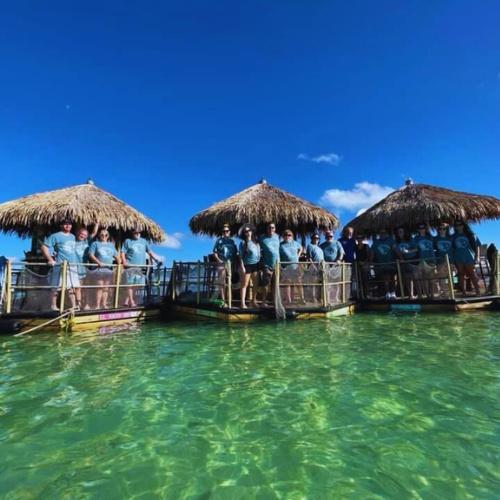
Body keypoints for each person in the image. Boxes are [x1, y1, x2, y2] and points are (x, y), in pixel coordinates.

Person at [41, 219, 80, 311]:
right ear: (61, 226)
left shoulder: (72, 237)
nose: (67, 226)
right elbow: (44, 246)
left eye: (69, 224)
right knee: (57, 286)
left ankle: (74, 305)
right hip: (61, 264)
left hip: (72, 265)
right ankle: (53, 305)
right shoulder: (55, 236)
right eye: (65, 224)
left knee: (72, 286)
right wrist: (50, 259)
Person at [121, 228, 161, 307]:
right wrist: (124, 261)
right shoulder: (128, 241)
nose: (138, 234)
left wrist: (156, 260)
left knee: (136, 285)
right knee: (130, 284)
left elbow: (149, 252)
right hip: (130, 266)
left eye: (139, 232)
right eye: (136, 232)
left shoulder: (144, 241)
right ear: (132, 233)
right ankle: (131, 302)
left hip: (140, 267)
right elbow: (122, 252)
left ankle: (127, 300)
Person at [88, 229, 120, 309]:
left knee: (106, 287)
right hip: (98, 269)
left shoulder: (111, 245)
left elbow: (116, 256)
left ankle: (104, 304)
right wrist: (98, 262)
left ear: (108, 236)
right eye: (102, 234)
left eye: (105, 235)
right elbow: (91, 254)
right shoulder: (95, 244)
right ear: (99, 235)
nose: (104, 236)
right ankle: (97, 305)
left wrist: (119, 263)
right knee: (100, 286)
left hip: (108, 269)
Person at [370, 229, 402, 299]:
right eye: (381, 233)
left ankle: (393, 293)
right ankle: (387, 293)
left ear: (386, 233)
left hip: (392, 263)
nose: (382, 234)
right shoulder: (376, 243)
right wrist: (371, 260)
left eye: (384, 233)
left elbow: (396, 249)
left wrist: (401, 258)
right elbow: (372, 252)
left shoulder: (391, 240)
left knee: (394, 278)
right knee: (385, 279)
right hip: (382, 264)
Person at [452, 220, 481, 296]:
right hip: (458, 257)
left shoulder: (470, 234)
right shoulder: (453, 236)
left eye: (460, 224)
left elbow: (477, 246)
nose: (458, 226)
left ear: (464, 225)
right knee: (461, 274)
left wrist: (477, 257)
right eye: (456, 225)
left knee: (472, 273)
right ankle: (463, 291)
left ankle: (478, 291)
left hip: (469, 256)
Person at [74, 223, 99, 309]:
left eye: (84, 235)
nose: (82, 236)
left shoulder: (87, 241)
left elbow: (94, 233)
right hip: (75, 267)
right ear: (78, 233)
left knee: (86, 287)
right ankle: (78, 304)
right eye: (81, 234)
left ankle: (87, 304)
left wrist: (97, 223)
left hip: (85, 268)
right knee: (77, 287)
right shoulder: (72, 241)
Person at [212, 223, 238, 303]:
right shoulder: (219, 241)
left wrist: (235, 264)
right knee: (222, 282)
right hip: (222, 264)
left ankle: (229, 299)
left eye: (227, 231)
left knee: (229, 282)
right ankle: (223, 300)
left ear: (229, 232)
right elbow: (214, 252)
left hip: (231, 264)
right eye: (223, 231)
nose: (225, 233)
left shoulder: (232, 241)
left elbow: (235, 253)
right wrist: (219, 261)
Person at [238, 223, 260, 309]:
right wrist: (242, 267)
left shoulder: (256, 242)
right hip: (247, 265)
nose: (248, 232)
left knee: (255, 284)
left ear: (252, 231)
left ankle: (254, 301)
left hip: (256, 264)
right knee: (245, 284)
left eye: (249, 230)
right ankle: (242, 303)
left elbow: (258, 253)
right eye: (246, 231)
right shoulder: (243, 243)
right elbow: (240, 256)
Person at [258, 223, 280, 307]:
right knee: (266, 284)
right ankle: (264, 301)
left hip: (277, 265)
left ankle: (274, 301)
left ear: (275, 229)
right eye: (270, 228)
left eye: (273, 228)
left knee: (275, 285)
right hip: (266, 265)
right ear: (267, 229)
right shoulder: (262, 238)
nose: (271, 229)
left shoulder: (278, 237)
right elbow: (256, 247)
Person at [395, 226, 419, 299]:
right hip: (404, 261)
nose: (400, 233)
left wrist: (408, 251)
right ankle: (410, 295)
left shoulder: (410, 239)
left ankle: (420, 294)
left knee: (415, 278)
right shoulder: (396, 241)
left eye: (402, 232)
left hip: (412, 259)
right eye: (399, 232)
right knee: (408, 278)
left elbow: (416, 249)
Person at [279, 229, 303, 304]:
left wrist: (298, 256)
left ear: (292, 236)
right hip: (285, 267)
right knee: (287, 282)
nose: (287, 236)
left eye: (289, 235)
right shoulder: (281, 245)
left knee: (298, 282)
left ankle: (302, 298)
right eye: (285, 235)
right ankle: (288, 300)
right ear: (283, 236)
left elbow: (301, 248)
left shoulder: (295, 243)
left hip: (295, 266)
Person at [320, 231, 344, 302]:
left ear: (333, 236)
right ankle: (327, 298)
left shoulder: (337, 243)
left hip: (336, 266)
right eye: (327, 236)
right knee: (327, 283)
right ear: (325, 237)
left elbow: (341, 252)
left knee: (336, 283)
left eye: (330, 236)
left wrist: (339, 259)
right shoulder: (322, 245)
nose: (329, 237)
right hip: (326, 267)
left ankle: (336, 297)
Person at [414, 223, 437, 297]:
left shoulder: (430, 237)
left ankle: (432, 294)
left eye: (423, 228)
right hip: (422, 259)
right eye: (420, 228)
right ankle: (427, 294)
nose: (422, 229)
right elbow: (415, 249)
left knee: (432, 278)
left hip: (431, 258)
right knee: (425, 278)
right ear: (418, 230)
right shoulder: (416, 238)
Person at [433, 223, 454, 297]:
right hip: (440, 260)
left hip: (450, 260)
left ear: (446, 230)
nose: (442, 230)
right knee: (441, 277)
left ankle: (451, 293)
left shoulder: (451, 238)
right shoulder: (435, 239)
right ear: (438, 230)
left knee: (450, 277)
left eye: (444, 228)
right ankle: (445, 293)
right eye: (440, 229)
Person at [305, 233, 324, 302]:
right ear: (312, 239)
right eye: (314, 238)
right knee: (313, 283)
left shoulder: (319, 247)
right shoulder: (310, 246)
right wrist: (313, 266)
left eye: (317, 238)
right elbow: (309, 258)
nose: (316, 239)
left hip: (321, 266)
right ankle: (313, 298)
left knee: (319, 283)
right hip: (314, 266)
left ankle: (319, 297)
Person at [354, 233, 371, 298]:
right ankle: (360, 293)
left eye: (360, 238)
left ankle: (367, 294)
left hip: (365, 265)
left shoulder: (366, 246)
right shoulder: (355, 246)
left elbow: (368, 256)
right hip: (358, 265)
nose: (359, 239)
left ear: (362, 239)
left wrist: (364, 263)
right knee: (358, 279)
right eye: (358, 238)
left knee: (365, 280)